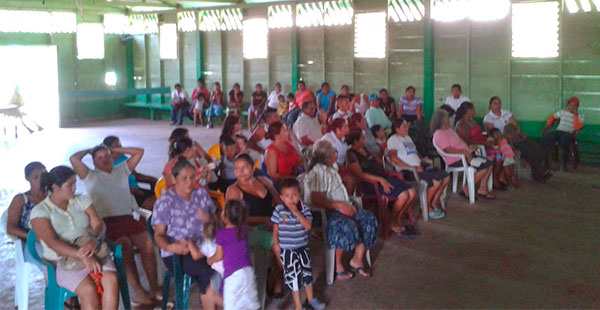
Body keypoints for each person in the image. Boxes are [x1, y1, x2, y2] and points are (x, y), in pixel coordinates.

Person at [70, 145, 160, 305]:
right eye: (99, 158)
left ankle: (154, 288)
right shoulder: (90, 175)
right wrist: (90, 149)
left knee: (147, 244)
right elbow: (74, 159)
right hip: (107, 221)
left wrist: (116, 150)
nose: (105, 159)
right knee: (124, 246)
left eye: (107, 156)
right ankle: (138, 292)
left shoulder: (122, 169)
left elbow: (140, 152)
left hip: (129, 217)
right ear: (93, 161)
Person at [30, 166, 119, 309]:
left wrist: (94, 240)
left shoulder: (81, 200)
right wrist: (82, 255)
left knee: (111, 279)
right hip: (61, 261)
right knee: (88, 290)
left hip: (92, 249)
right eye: (69, 185)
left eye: (75, 183)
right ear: (55, 187)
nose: (74, 188)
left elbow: (98, 224)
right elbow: (52, 243)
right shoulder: (40, 211)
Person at [152, 159, 221, 309]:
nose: (189, 182)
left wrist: (209, 218)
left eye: (192, 177)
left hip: (205, 245)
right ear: (175, 179)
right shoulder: (166, 201)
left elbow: (217, 220)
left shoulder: (201, 194)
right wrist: (171, 247)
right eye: (184, 178)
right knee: (206, 271)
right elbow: (158, 235)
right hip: (178, 252)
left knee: (230, 261)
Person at [304, 140, 378, 281]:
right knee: (346, 225)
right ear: (325, 157)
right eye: (333, 151)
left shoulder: (331, 168)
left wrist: (346, 204)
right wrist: (339, 206)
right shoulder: (318, 171)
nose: (335, 153)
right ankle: (337, 266)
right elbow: (316, 199)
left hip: (341, 206)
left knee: (368, 219)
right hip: (328, 211)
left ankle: (357, 259)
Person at [346, 130, 418, 236]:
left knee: (412, 193)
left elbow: (378, 162)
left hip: (383, 178)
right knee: (404, 195)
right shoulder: (351, 154)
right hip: (371, 183)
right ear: (355, 141)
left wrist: (382, 160)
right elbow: (359, 175)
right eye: (362, 138)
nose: (364, 140)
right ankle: (392, 222)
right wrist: (380, 180)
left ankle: (396, 219)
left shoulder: (364, 149)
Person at [271, 178, 326, 310]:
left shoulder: (305, 210)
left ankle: (311, 299)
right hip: (288, 251)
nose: (291, 199)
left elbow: (307, 226)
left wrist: (296, 212)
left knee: (307, 275)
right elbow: (275, 229)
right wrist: (276, 244)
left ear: (299, 195)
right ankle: (298, 306)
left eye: (294, 195)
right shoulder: (279, 210)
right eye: (287, 196)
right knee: (293, 278)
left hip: (303, 249)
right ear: (282, 197)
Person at [387, 119, 450, 219]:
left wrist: (422, 159)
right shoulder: (393, 139)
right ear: (397, 129)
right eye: (404, 126)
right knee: (436, 181)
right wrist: (412, 167)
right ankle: (426, 207)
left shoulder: (408, 138)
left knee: (445, 176)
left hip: (419, 168)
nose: (407, 128)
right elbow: (394, 159)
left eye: (407, 125)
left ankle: (433, 202)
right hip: (408, 171)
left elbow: (413, 154)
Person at [431, 109, 496, 200]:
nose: (449, 119)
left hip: (466, 155)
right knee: (484, 166)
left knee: (489, 163)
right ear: (441, 120)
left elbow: (460, 142)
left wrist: (469, 148)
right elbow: (448, 150)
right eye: (447, 117)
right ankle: (466, 188)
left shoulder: (449, 130)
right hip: (456, 159)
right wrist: (465, 152)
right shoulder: (439, 134)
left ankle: (482, 188)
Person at [213, 200, 260, 310]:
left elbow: (218, 256)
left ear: (225, 216)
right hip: (248, 272)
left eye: (223, 209)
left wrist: (209, 260)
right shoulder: (244, 230)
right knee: (249, 304)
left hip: (233, 276)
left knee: (231, 306)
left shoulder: (221, 234)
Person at [103, 135, 157, 210]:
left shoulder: (123, 158)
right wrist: (133, 190)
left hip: (136, 190)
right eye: (117, 146)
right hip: (126, 194)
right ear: (110, 149)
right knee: (156, 201)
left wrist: (153, 179)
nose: (121, 147)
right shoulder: (107, 164)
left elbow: (135, 175)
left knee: (159, 193)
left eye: (120, 145)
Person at [6, 162, 46, 240]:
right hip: (31, 242)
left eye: (44, 176)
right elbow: (10, 228)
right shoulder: (21, 199)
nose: (41, 180)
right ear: (28, 178)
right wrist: (34, 237)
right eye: (36, 177)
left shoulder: (53, 194)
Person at [542, 96, 584, 171]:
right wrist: (547, 126)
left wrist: (576, 115)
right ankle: (547, 163)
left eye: (574, 106)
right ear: (567, 105)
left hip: (569, 133)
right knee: (547, 137)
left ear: (577, 107)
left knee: (564, 141)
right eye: (570, 105)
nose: (571, 107)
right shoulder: (562, 112)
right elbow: (552, 117)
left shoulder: (579, 116)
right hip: (559, 131)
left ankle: (563, 165)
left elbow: (578, 127)